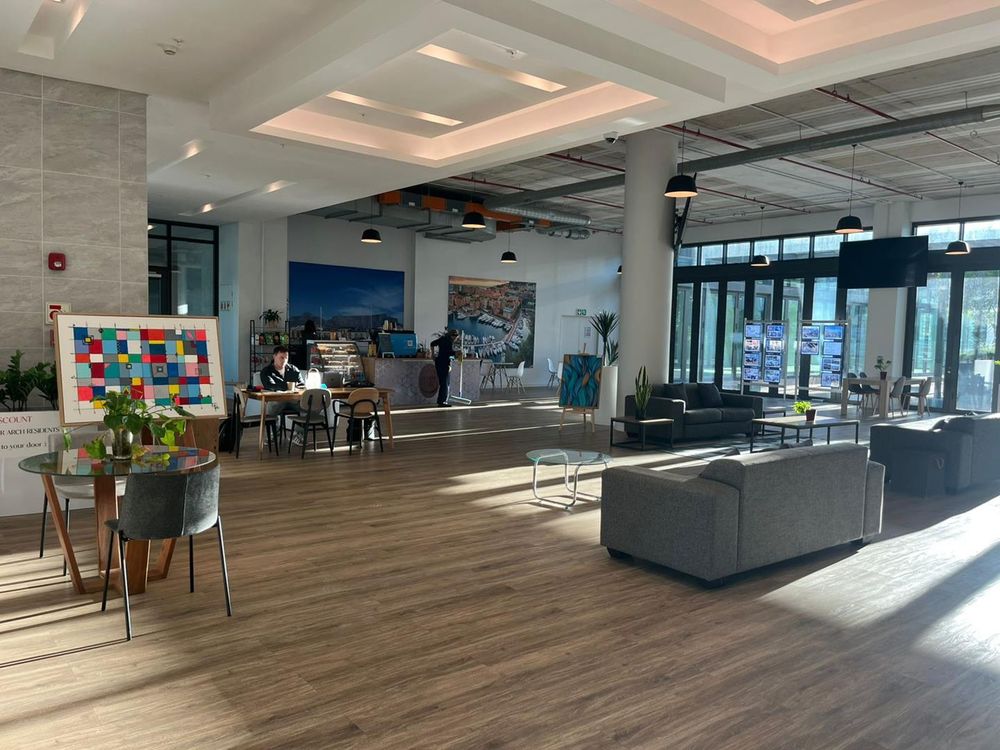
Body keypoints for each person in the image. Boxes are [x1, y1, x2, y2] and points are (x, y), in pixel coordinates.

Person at [431, 329, 460, 406]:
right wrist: (456, 353)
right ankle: (442, 402)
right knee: (445, 384)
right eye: (455, 336)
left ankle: (441, 401)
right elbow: (448, 353)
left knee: (443, 383)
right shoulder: (449, 341)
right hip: (443, 363)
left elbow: (432, 344)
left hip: (439, 362)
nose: (455, 338)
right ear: (452, 336)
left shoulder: (443, 339)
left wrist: (432, 354)